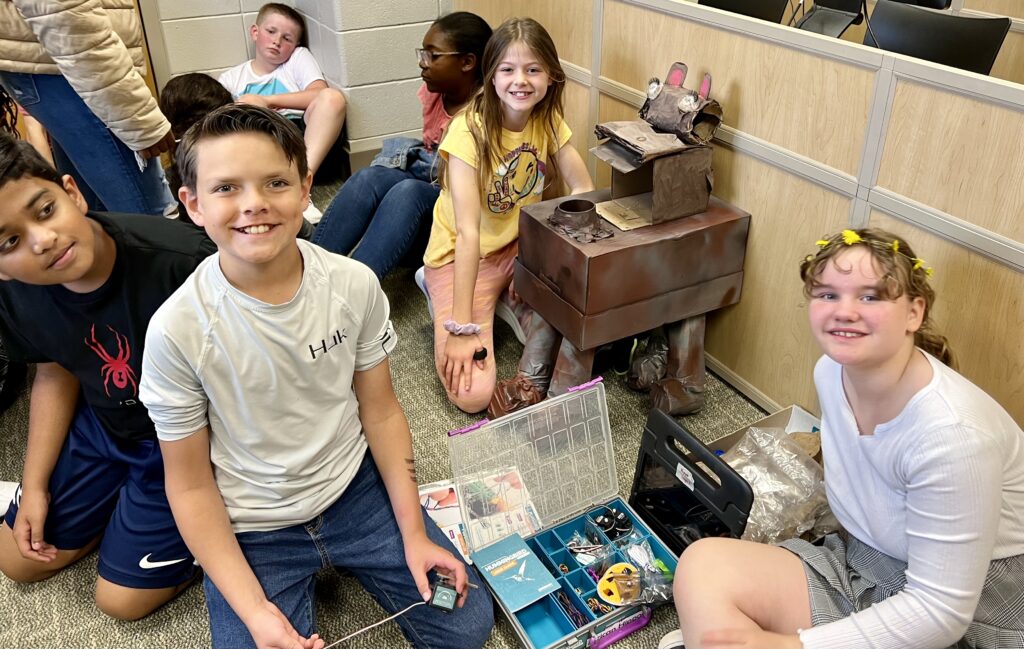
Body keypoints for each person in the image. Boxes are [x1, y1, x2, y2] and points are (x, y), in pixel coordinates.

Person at [139, 104, 494, 649]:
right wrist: (257, 613)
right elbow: (187, 485)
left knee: (465, 624)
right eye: (226, 188)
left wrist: (414, 533)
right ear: (192, 205)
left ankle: (370, 555)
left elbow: (381, 410)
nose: (254, 204)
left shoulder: (352, 285)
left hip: (356, 491)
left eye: (275, 182)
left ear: (306, 189)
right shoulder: (176, 330)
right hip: (255, 526)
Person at [660, 228, 1024, 649]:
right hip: (864, 560)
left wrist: (790, 645)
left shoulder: (953, 437)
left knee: (722, 632)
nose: (844, 311)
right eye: (828, 294)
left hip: (970, 611)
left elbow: (938, 613)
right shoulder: (830, 373)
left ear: (914, 312)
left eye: (870, 296)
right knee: (703, 565)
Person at [0, 132, 215, 619]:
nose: (43, 240)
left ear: (72, 193)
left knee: (120, 601)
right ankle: (116, 506)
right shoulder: (15, 296)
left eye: (45, 210)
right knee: (16, 558)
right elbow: (54, 369)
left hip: (186, 439)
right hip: (106, 423)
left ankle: (158, 519)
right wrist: (33, 484)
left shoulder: (182, 262)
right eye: (10, 241)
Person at [420, 17, 594, 414]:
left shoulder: (547, 119)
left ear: (551, 76)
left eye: (533, 69)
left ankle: (506, 304)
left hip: (517, 250)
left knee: (577, 339)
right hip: (461, 257)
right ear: (491, 76)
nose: (521, 81)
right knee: (474, 396)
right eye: (508, 70)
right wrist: (461, 328)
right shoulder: (468, 131)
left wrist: (547, 257)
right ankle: (444, 296)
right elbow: (467, 233)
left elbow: (582, 190)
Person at [311, 12, 491, 280]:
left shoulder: (486, 113)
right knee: (367, 177)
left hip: (459, 212)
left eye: (433, 55)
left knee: (409, 191)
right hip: (431, 181)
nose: (423, 64)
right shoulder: (436, 92)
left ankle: (355, 291)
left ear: (467, 62)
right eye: (422, 53)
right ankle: (309, 272)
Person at [0, 0, 176, 216]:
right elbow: (67, 18)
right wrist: (138, 119)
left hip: (54, 62)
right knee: (153, 221)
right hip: (70, 66)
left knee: (93, 216)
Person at [219, 3, 346, 179]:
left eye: (287, 38)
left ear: (295, 44)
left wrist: (267, 101)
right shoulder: (231, 79)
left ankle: (302, 178)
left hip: (302, 140)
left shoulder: (296, 58)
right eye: (271, 31)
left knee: (333, 98)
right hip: (258, 143)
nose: (277, 41)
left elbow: (320, 93)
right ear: (255, 32)